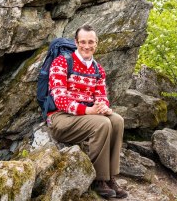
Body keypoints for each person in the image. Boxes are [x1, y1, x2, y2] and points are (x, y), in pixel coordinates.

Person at [47, 25, 127, 199]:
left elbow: (101, 96)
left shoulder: (98, 69)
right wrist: (89, 110)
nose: (86, 46)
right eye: (82, 42)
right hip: (60, 117)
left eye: (91, 42)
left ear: (96, 44)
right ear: (76, 42)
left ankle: (110, 177)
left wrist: (104, 107)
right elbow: (60, 98)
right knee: (102, 123)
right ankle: (98, 179)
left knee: (117, 120)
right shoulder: (61, 62)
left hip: (84, 116)